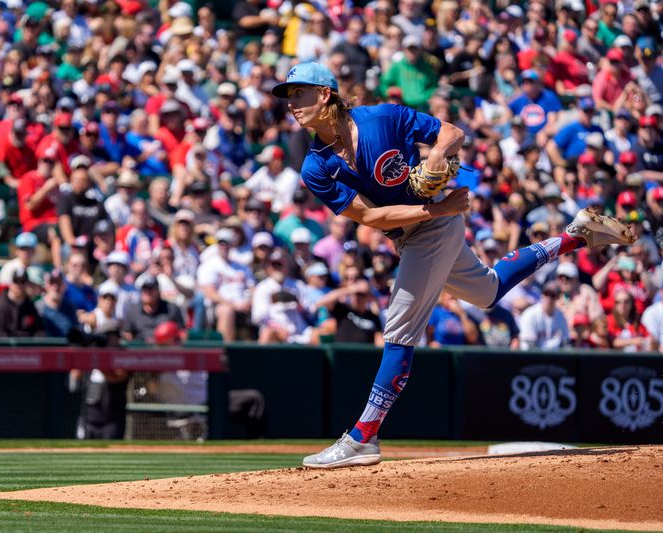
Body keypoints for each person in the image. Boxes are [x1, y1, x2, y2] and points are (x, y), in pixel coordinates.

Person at [271, 62, 634, 468]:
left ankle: (363, 437)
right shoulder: (314, 166)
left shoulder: (383, 117)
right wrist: (435, 206)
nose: (291, 103)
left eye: (298, 92)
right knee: (488, 291)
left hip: (432, 228)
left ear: (325, 94)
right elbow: (370, 219)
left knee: (400, 329)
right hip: (421, 224)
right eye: (287, 96)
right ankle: (574, 237)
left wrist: (439, 154)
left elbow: (453, 133)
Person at [0, 268, 44, 337]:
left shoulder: (30, 306)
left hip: (26, 347)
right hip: (5, 347)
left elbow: (39, 332)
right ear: (10, 283)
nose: (19, 285)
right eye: (16, 281)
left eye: (23, 281)